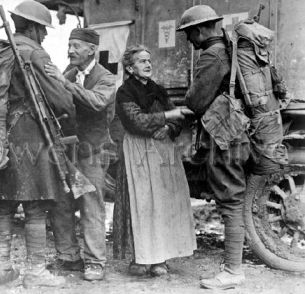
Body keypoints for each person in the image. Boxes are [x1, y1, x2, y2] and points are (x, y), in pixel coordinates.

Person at [0, 0, 75, 289]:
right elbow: (62, 100)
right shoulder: (34, 53)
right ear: (34, 27)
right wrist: (71, 107)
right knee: (35, 205)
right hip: (30, 134)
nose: (46, 35)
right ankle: (35, 271)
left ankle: (2, 269)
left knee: (3, 205)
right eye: (43, 29)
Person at [176, 5, 251, 290]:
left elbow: (194, 101)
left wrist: (190, 97)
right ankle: (231, 266)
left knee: (230, 201)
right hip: (234, 134)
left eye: (189, 34)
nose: (189, 41)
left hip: (223, 139)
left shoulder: (213, 55)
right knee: (233, 199)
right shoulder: (229, 50)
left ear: (199, 30)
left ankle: (233, 271)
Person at [112, 44, 197, 276]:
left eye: (148, 60)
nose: (148, 64)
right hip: (138, 152)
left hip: (162, 151)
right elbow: (136, 121)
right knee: (142, 204)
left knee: (163, 203)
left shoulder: (158, 89)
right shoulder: (124, 92)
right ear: (129, 68)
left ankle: (160, 259)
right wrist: (166, 117)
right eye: (141, 61)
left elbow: (177, 117)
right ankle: (141, 258)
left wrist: (169, 128)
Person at [44, 28, 116, 281]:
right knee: (61, 202)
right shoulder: (70, 72)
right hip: (68, 151)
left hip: (92, 152)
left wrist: (64, 84)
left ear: (91, 50)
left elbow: (97, 102)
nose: (70, 50)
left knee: (91, 205)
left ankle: (95, 261)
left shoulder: (106, 78)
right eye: (69, 45)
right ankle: (68, 256)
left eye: (76, 46)